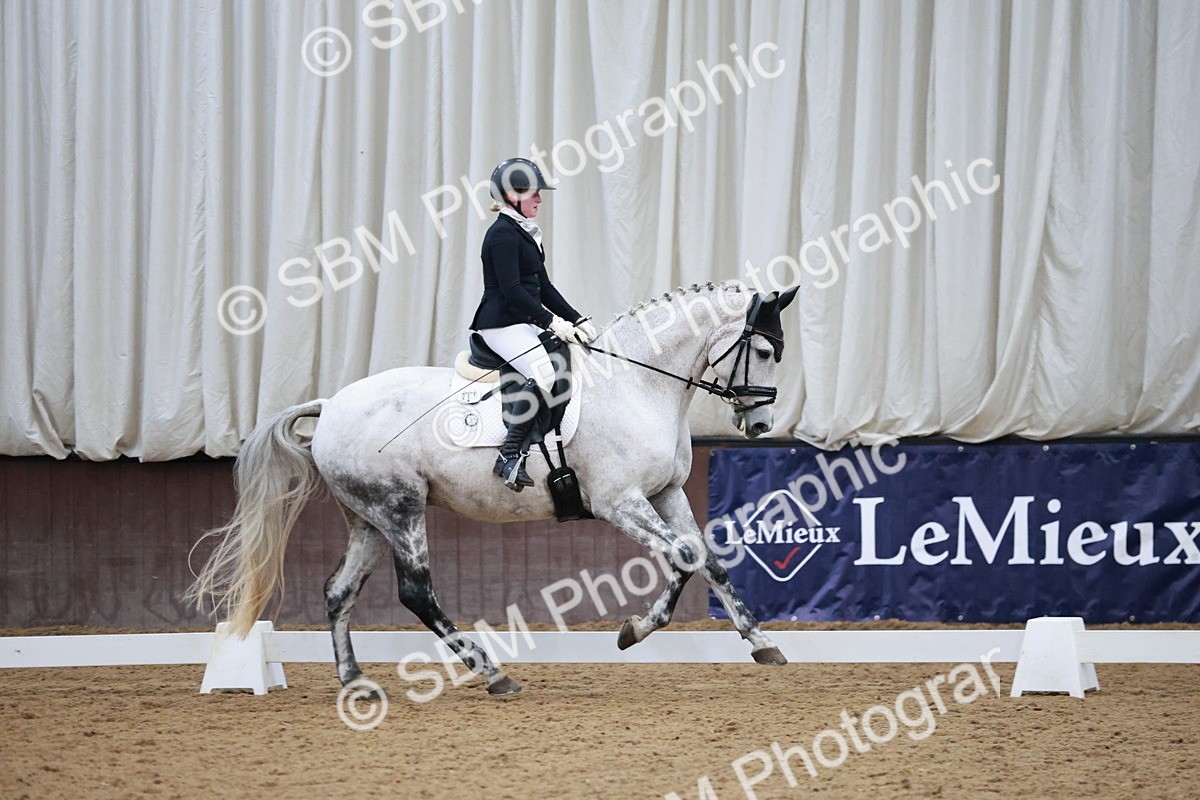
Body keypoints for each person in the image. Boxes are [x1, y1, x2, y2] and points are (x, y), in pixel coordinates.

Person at [470, 157, 598, 490]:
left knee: (562, 364)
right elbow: (513, 292)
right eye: (534, 194)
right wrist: (553, 323)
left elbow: (545, 289)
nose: (540, 200)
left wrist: (577, 318)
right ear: (512, 195)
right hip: (500, 323)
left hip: (521, 320)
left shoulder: (525, 234)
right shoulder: (501, 236)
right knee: (542, 371)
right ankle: (509, 455)